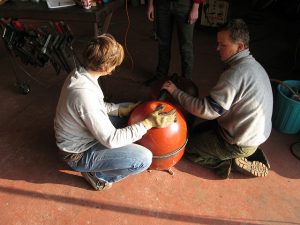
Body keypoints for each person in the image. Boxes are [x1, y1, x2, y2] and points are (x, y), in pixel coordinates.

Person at [54, 34, 176, 191]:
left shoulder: (81, 73)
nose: (115, 68)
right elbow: (111, 139)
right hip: (77, 154)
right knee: (143, 158)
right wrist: (148, 123)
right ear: (105, 68)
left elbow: (94, 106)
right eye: (114, 65)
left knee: (126, 109)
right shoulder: (84, 94)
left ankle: (108, 157)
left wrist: (118, 109)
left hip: (84, 134)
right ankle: (97, 175)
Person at [161, 19, 273, 179]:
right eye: (218, 43)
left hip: (239, 141)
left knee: (188, 148)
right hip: (250, 133)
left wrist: (175, 92)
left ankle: (228, 163)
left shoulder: (235, 75)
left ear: (240, 47)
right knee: (195, 132)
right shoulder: (254, 66)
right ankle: (248, 153)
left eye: (223, 45)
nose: (217, 48)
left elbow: (206, 110)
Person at [146, 0, 204, 83]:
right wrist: (150, 4)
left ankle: (186, 82)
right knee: (163, 43)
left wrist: (196, 6)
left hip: (184, 4)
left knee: (186, 46)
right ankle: (160, 76)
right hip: (162, 4)